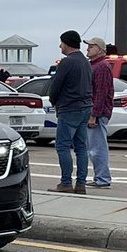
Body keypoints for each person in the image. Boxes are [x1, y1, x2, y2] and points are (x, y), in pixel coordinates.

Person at [47, 29, 92, 194]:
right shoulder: (86, 62)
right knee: (81, 147)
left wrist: (53, 100)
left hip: (69, 108)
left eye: (61, 43)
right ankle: (81, 184)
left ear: (66, 43)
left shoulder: (66, 63)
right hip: (85, 107)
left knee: (62, 145)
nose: (60, 46)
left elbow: (56, 85)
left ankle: (65, 182)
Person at [86, 36, 114, 187]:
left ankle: (102, 179)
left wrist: (94, 115)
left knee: (97, 148)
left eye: (91, 46)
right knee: (92, 148)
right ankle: (100, 177)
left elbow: (101, 93)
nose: (88, 48)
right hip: (95, 112)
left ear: (100, 49)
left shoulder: (102, 66)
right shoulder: (94, 65)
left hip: (98, 113)